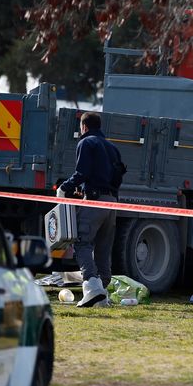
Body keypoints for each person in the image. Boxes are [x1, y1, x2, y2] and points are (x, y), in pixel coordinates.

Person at [58, 112, 124, 308]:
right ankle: (102, 291)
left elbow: (82, 172)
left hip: (94, 200)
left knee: (82, 242)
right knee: (103, 248)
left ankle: (92, 286)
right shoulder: (112, 147)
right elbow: (118, 177)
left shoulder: (86, 143)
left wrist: (65, 187)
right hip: (112, 202)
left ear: (84, 127)